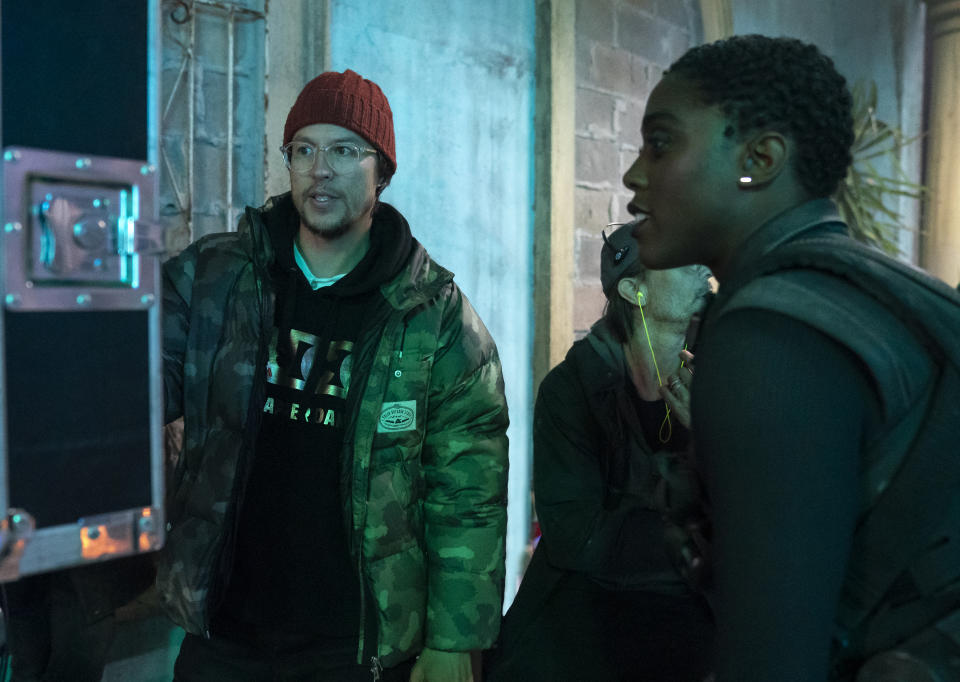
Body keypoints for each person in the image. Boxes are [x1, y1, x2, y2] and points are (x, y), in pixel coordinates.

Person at [622, 34, 960, 681]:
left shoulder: (771, 335)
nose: (635, 175)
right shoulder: (876, 287)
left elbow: (773, 663)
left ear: (760, 158)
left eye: (660, 142)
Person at [159, 69, 509, 681]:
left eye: (346, 150)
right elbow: (125, 385)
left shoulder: (434, 316)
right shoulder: (215, 277)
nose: (321, 169)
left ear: (382, 173)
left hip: (354, 642)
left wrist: (455, 640)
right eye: (305, 149)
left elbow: (468, 493)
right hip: (224, 627)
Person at [486, 222, 714, 681]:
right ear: (635, 291)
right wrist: (696, 545)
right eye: (681, 262)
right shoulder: (573, 389)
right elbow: (578, 536)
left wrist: (711, 436)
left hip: (688, 637)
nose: (702, 269)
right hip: (581, 637)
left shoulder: (728, 376)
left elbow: (755, 513)